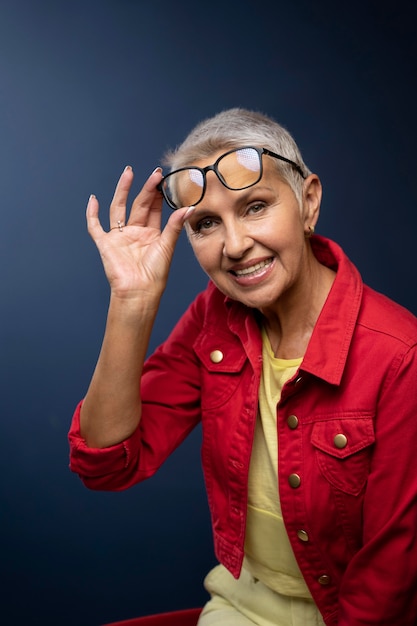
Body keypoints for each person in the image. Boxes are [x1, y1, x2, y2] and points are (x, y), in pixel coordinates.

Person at [68, 108, 417, 626]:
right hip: (241, 603)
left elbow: (389, 581)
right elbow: (105, 464)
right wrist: (132, 301)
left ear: (309, 202)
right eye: (207, 223)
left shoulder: (399, 355)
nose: (234, 246)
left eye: (255, 207)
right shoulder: (215, 317)